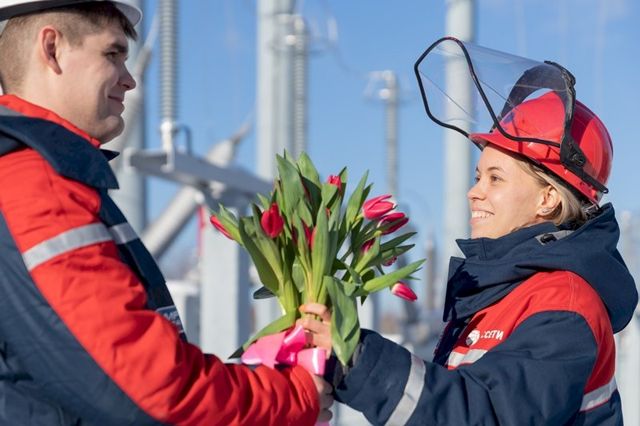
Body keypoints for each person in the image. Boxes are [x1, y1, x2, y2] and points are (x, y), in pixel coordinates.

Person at [0, 1, 332, 424]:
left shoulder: (44, 177)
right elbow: (145, 385)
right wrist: (292, 396)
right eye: (112, 54)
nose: (129, 79)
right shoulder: (37, 186)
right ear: (52, 49)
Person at [301, 72, 638, 423]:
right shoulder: (501, 294)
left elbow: (487, 412)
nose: (474, 192)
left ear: (548, 198)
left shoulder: (565, 304)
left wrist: (356, 359)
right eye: (479, 177)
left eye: (496, 178)